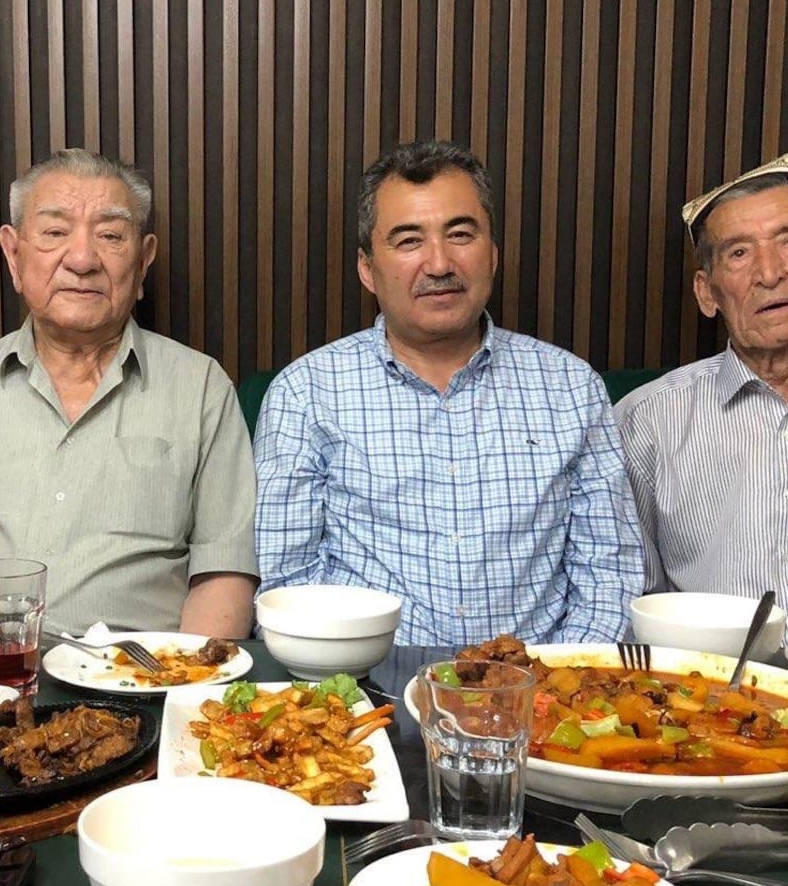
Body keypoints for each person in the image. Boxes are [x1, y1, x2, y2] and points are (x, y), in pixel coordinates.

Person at [254, 139, 644, 648]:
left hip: (542, 697)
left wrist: (550, 688)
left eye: (460, 234)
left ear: (493, 254)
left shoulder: (570, 387)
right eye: (409, 241)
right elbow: (287, 587)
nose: (439, 263)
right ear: (368, 268)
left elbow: (609, 575)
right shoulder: (307, 393)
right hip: (366, 698)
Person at [0, 148, 258, 636]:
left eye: (111, 236)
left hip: (142, 684)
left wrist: (181, 694)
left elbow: (223, 576)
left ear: (144, 260)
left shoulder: (201, 389)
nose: (82, 259)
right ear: (13, 254)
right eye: (55, 233)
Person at [615, 153, 788, 633]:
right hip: (712, 694)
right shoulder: (646, 421)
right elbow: (630, 596)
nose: (769, 273)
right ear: (707, 293)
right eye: (738, 253)